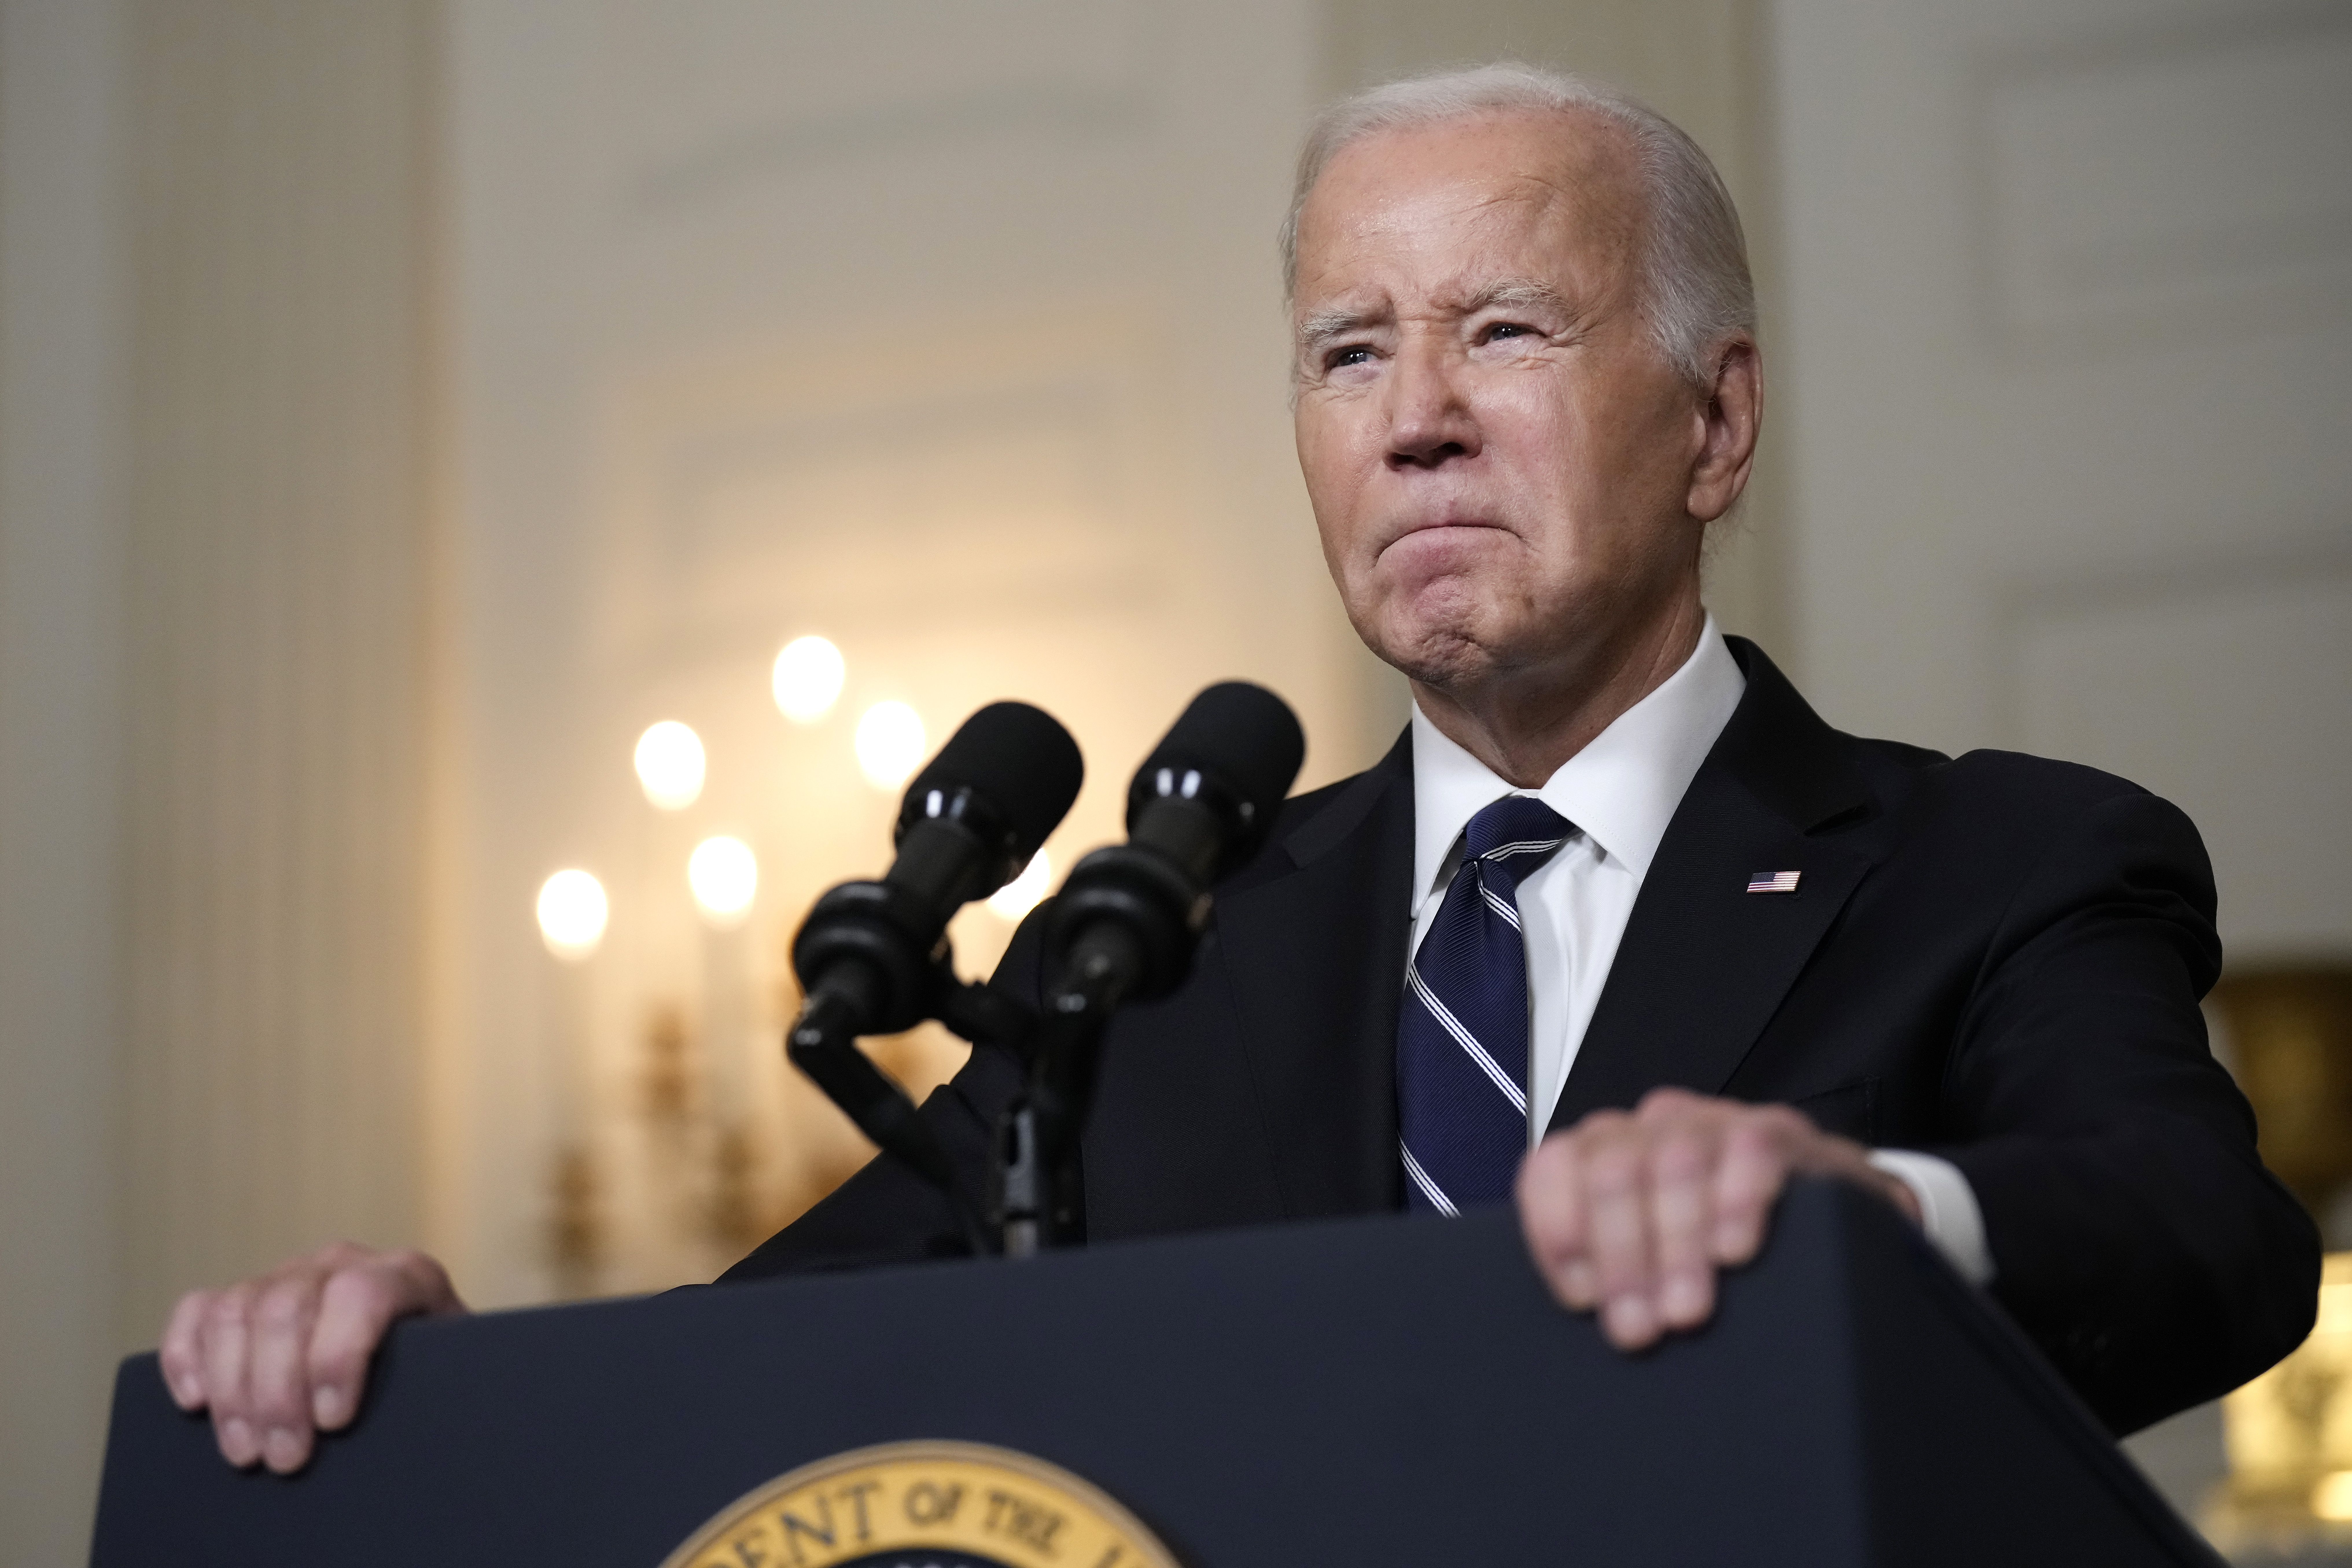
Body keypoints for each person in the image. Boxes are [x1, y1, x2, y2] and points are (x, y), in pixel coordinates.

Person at [159, 64, 2319, 1477]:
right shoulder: (1157, 952)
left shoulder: (2002, 861)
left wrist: (1871, 1219)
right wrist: (420, 1370)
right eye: (1348, 352)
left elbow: (2197, 1235)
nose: (1416, 418)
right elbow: (757, 1370)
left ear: (1716, 425)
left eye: (1506, 330)